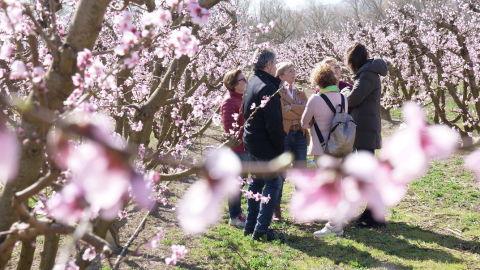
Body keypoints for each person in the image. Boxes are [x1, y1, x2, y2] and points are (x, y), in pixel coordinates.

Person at [340, 42, 388, 229]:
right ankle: (370, 212)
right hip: (365, 128)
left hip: (365, 130)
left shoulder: (367, 74)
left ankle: (376, 216)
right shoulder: (367, 73)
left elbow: (353, 98)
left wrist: (344, 91)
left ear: (354, 60)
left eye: (347, 60)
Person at [242, 47, 286, 241]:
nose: (276, 67)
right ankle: (261, 230)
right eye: (275, 64)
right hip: (265, 144)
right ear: (268, 64)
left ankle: (250, 226)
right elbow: (274, 123)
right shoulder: (268, 87)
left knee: (256, 183)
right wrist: (280, 148)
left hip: (252, 141)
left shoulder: (253, 81)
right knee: (272, 182)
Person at [301, 63, 349, 238]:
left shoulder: (316, 99)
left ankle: (334, 225)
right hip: (340, 146)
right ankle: (336, 219)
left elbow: (304, 123)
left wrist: (315, 122)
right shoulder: (343, 98)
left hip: (322, 149)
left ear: (317, 81)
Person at [274, 62, 309, 222]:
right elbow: (281, 112)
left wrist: (291, 108)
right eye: (290, 71)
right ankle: (276, 210)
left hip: (300, 134)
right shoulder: (277, 91)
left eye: (295, 70)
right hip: (285, 135)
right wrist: (297, 110)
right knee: (281, 173)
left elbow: (307, 112)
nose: (294, 73)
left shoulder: (300, 91)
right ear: (281, 75)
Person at [221, 69, 249, 227]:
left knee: (241, 183)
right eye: (242, 80)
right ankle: (234, 217)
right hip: (237, 150)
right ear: (233, 85)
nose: (246, 81)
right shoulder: (230, 101)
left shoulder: (242, 99)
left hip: (246, 148)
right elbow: (229, 130)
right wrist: (243, 141)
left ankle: (238, 212)